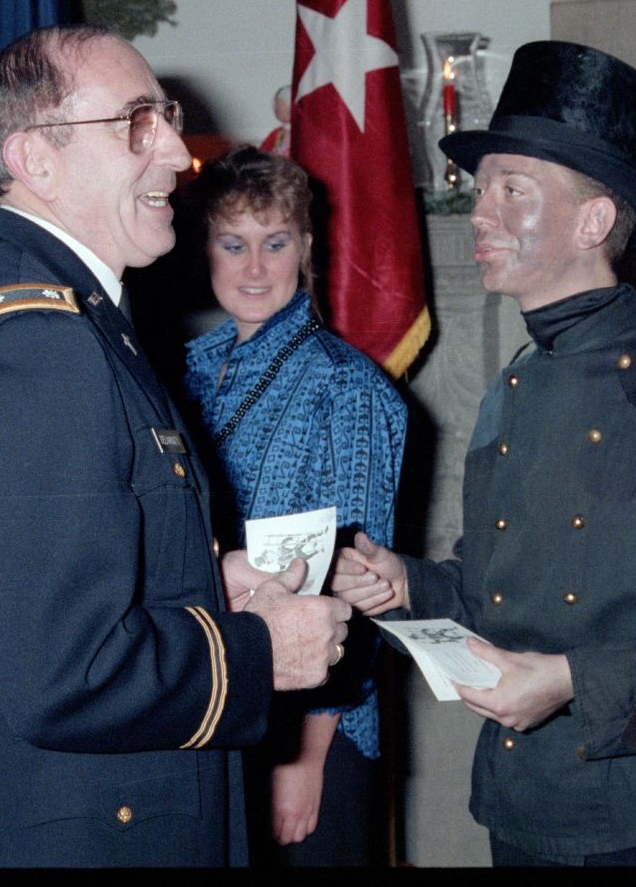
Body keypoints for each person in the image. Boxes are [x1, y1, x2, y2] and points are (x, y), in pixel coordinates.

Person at [333, 41, 636, 867]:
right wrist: (405, 584)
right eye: (481, 187)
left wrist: (571, 681)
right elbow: (498, 596)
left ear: (594, 221)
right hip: (528, 811)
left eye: (512, 190)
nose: (478, 213)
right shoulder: (514, 385)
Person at [0, 23, 351, 868]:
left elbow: (38, 582)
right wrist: (258, 652)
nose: (178, 152)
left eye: (166, 117)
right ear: (37, 158)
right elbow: (66, 671)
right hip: (78, 835)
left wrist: (202, 581)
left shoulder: (69, 317)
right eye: (137, 123)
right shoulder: (35, 343)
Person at [181, 148, 406, 864]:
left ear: (306, 248)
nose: (254, 268)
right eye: (233, 243)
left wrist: (306, 758)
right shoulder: (180, 371)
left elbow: (362, 593)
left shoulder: (349, 389)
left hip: (311, 727)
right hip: (211, 702)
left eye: (275, 243)